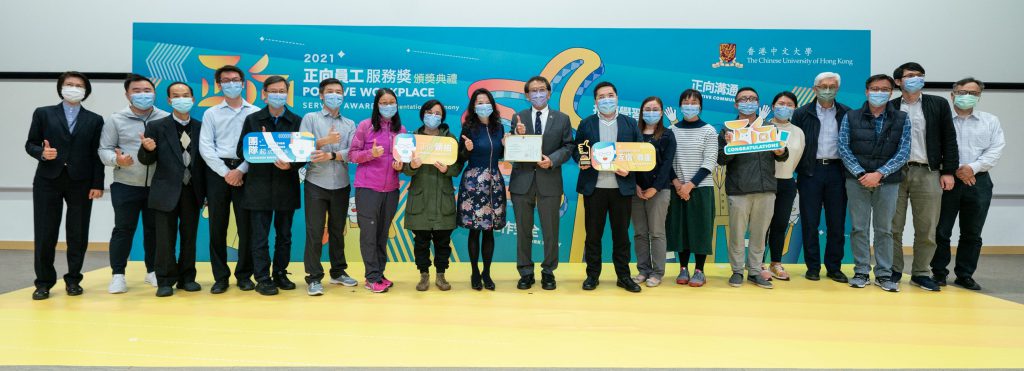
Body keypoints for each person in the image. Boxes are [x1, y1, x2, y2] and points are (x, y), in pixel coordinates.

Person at [25, 71, 105, 300]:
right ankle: (43, 282)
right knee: (45, 232)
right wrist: (42, 152)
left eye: (79, 85)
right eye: (69, 84)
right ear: (60, 88)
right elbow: (30, 143)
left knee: (78, 233)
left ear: (86, 91)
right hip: (48, 180)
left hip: (81, 182)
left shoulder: (94, 119)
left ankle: (73, 280)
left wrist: (97, 184)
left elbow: (96, 154)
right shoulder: (43, 113)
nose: (74, 88)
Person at [888, 62, 959, 291]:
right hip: (895, 172)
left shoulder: (937, 104)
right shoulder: (889, 107)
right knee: (892, 226)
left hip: (928, 171)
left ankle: (920, 272)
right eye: (910, 76)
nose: (915, 79)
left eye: (919, 75)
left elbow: (949, 139)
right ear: (898, 81)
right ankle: (894, 270)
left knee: (927, 227)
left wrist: (948, 171)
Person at [838, 74, 911, 293]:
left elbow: (904, 150)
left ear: (891, 92)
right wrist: (862, 173)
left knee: (884, 229)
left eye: (884, 89)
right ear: (866, 91)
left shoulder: (901, 118)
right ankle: (861, 271)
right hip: (856, 179)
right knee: (859, 228)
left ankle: (884, 274)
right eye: (874, 89)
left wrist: (880, 173)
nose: (879, 93)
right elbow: (843, 147)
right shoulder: (851, 116)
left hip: (888, 182)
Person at [932, 77, 1005, 290]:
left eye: (973, 93)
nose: (967, 96)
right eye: (963, 92)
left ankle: (965, 274)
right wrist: (954, 169)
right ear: (952, 94)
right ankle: (938, 273)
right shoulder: (941, 121)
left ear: (979, 97)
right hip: (946, 180)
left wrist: (971, 168)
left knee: (972, 233)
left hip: (978, 181)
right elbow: (933, 148)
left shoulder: (990, 121)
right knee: (941, 230)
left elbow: (995, 150)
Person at [99, 74, 169, 294]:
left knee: (155, 230)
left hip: (158, 186)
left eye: (147, 90)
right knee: (123, 230)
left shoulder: (166, 118)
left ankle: (153, 271)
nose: (142, 95)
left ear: (155, 93)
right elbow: (104, 149)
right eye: (137, 91)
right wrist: (116, 160)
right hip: (125, 184)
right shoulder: (116, 119)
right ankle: (118, 275)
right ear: (127, 94)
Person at [572, 81, 643, 293]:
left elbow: (639, 154)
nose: (606, 100)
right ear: (595, 101)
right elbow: (578, 150)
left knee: (621, 235)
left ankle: (623, 276)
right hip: (595, 188)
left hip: (621, 189)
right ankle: (592, 276)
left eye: (610, 95)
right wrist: (581, 160)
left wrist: (629, 169)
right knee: (593, 235)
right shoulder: (587, 124)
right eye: (601, 96)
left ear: (617, 97)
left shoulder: (630, 124)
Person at [236, 76, 304, 296]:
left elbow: (303, 155)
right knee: (259, 235)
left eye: (282, 90)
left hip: (286, 186)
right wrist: (263, 144)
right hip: (258, 186)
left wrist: (291, 164)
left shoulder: (296, 120)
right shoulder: (253, 119)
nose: (278, 94)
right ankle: (263, 277)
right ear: (264, 93)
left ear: (287, 93)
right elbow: (241, 151)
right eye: (273, 91)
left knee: (284, 235)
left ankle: (280, 273)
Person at [137, 81, 206, 297]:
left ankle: (187, 278)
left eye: (185, 95)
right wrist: (146, 149)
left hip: (192, 190)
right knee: (165, 238)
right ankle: (165, 279)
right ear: (169, 100)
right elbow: (146, 159)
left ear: (193, 99)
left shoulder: (201, 126)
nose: (181, 99)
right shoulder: (157, 126)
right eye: (176, 95)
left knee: (189, 236)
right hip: (166, 191)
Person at [198, 65, 260, 294]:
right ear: (219, 85)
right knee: (217, 227)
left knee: (247, 228)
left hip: (247, 171)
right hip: (218, 173)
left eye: (235, 79)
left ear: (243, 83)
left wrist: (241, 170)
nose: (231, 83)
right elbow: (205, 146)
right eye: (226, 80)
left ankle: (244, 275)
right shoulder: (211, 113)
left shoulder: (255, 112)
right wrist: (226, 172)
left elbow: (257, 147)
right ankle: (220, 277)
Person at [720, 87, 788, 289]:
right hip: (739, 190)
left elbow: (783, 155)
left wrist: (780, 150)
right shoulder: (728, 130)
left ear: (758, 103)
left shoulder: (769, 128)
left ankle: (756, 271)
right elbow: (721, 159)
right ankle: (737, 271)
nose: (748, 102)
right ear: (736, 104)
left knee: (759, 233)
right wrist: (729, 146)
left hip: (766, 189)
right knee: (737, 234)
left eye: (752, 99)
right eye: (743, 99)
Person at [509, 76, 573, 291]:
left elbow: (568, 147)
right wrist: (515, 136)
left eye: (542, 89)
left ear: (549, 92)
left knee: (550, 231)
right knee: (523, 230)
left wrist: (552, 160)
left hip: (550, 181)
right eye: (533, 91)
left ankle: (548, 271)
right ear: (527, 95)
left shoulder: (562, 119)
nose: (538, 94)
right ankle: (525, 272)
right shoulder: (518, 117)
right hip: (522, 182)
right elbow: (512, 149)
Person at [300, 78, 358, 296]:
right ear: (321, 95)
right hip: (316, 182)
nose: (335, 95)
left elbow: (352, 152)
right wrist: (323, 141)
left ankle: (338, 272)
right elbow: (301, 147)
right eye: (330, 92)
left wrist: (332, 154)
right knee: (315, 231)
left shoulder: (349, 124)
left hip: (341, 183)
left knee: (337, 231)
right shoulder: (310, 118)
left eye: (339, 92)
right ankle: (314, 278)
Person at [791, 72, 851, 283]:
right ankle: (813, 267)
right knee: (810, 221)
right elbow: (795, 144)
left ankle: (834, 267)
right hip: (810, 172)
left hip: (838, 172)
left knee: (837, 222)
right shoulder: (801, 113)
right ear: (815, 89)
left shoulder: (847, 113)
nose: (828, 89)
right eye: (823, 86)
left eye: (832, 86)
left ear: (837, 88)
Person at [349, 88, 406, 293]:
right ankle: (371, 277)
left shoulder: (401, 130)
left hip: (391, 189)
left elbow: (404, 159)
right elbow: (352, 155)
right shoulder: (365, 126)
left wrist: (401, 166)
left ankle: (379, 273)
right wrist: (370, 154)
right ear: (377, 105)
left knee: (382, 234)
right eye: (384, 102)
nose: (388, 106)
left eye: (392, 102)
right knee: (369, 234)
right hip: (368, 188)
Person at [403, 100, 462, 291]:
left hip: (442, 197)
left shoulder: (449, 139)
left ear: (443, 117)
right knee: (420, 241)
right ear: (422, 114)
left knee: (443, 241)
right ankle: (423, 275)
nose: (433, 116)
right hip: (420, 197)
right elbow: (404, 168)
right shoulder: (413, 139)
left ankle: (441, 275)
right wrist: (412, 166)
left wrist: (447, 169)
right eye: (429, 112)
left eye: (437, 113)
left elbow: (457, 167)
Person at [666, 89, 718, 288]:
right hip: (677, 188)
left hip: (701, 188)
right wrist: (679, 184)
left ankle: (699, 270)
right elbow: (666, 162)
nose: (689, 105)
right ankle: (683, 268)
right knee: (681, 229)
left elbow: (710, 161)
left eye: (693, 102)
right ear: (680, 105)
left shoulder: (709, 131)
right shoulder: (671, 131)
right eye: (686, 102)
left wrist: (690, 185)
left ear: (700, 106)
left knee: (700, 229)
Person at [457, 88, 507, 291]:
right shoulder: (468, 127)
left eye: (486, 101)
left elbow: (502, 155)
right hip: (473, 183)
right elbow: (459, 157)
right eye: (479, 102)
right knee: (474, 231)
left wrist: (507, 145)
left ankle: (487, 273)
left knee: (489, 232)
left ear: (492, 104)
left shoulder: (499, 127)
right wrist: (466, 150)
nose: (483, 105)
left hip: (494, 182)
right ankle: (475, 272)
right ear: (473, 106)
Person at [629, 96, 676, 287]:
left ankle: (657, 272)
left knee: (656, 232)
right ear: (641, 112)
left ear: (662, 112)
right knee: (640, 233)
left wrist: (654, 188)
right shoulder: (634, 133)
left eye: (655, 109)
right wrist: (636, 186)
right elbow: (627, 161)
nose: (651, 112)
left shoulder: (667, 135)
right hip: (636, 191)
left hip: (660, 190)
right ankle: (643, 270)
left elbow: (667, 165)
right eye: (647, 109)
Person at [764, 91, 805, 281]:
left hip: (787, 182)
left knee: (780, 225)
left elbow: (797, 158)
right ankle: (757, 263)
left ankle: (776, 263)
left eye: (789, 104)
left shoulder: (798, 131)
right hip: (764, 182)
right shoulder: (762, 128)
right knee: (761, 226)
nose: (784, 107)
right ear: (773, 106)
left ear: (794, 108)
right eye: (780, 103)